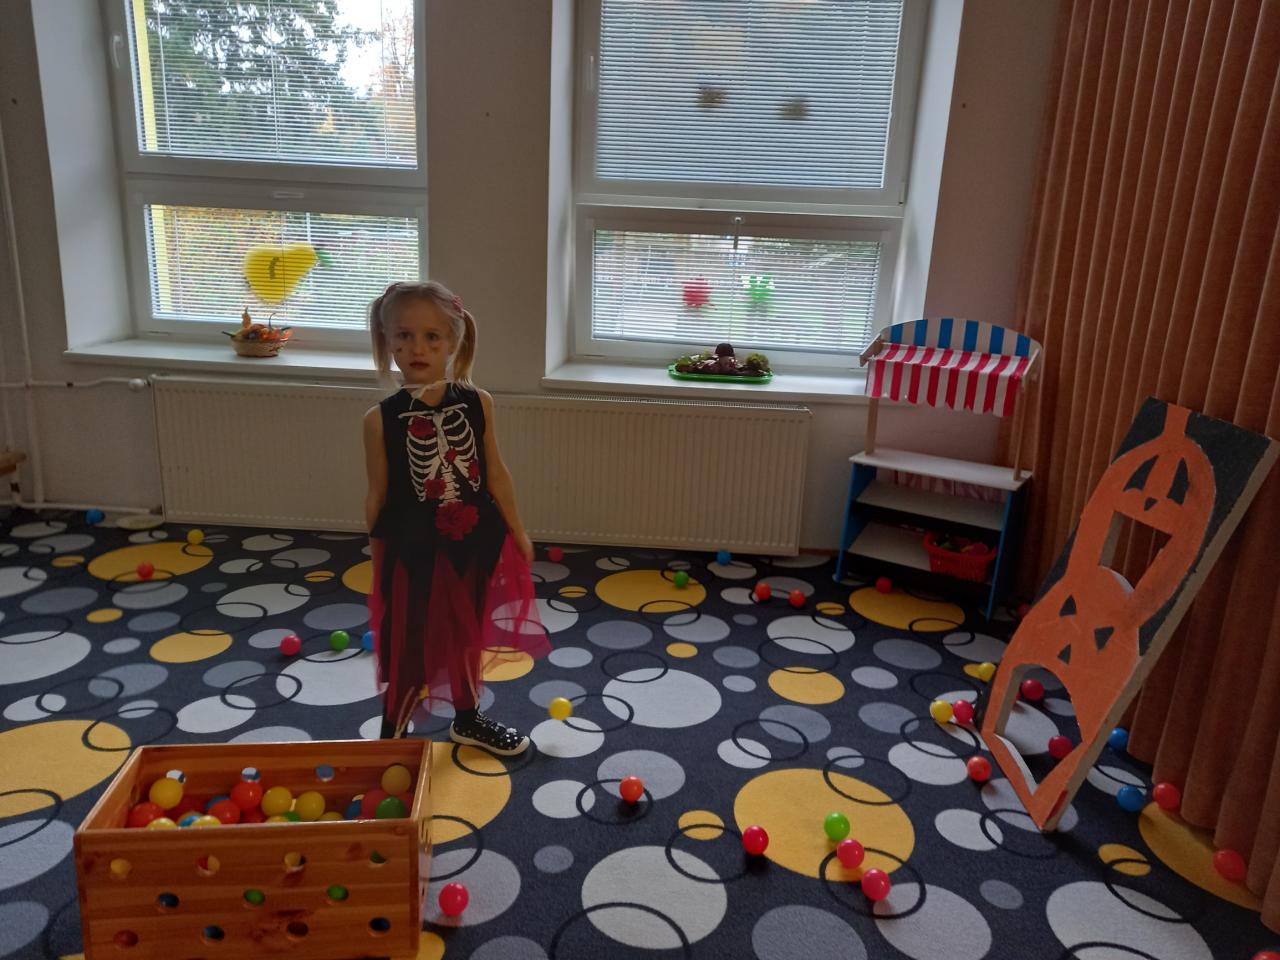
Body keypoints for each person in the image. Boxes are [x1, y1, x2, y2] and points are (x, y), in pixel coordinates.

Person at [364, 280, 547, 753]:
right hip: (412, 550)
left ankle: (467, 717)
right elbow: (377, 496)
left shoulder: (477, 402)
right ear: (387, 342)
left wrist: (518, 530)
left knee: (465, 631)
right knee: (409, 640)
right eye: (403, 336)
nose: (417, 348)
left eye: (432, 337)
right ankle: (393, 734)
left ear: (453, 342)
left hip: (473, 541)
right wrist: (379, 557)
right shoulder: (378, 419)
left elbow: (496, 472)